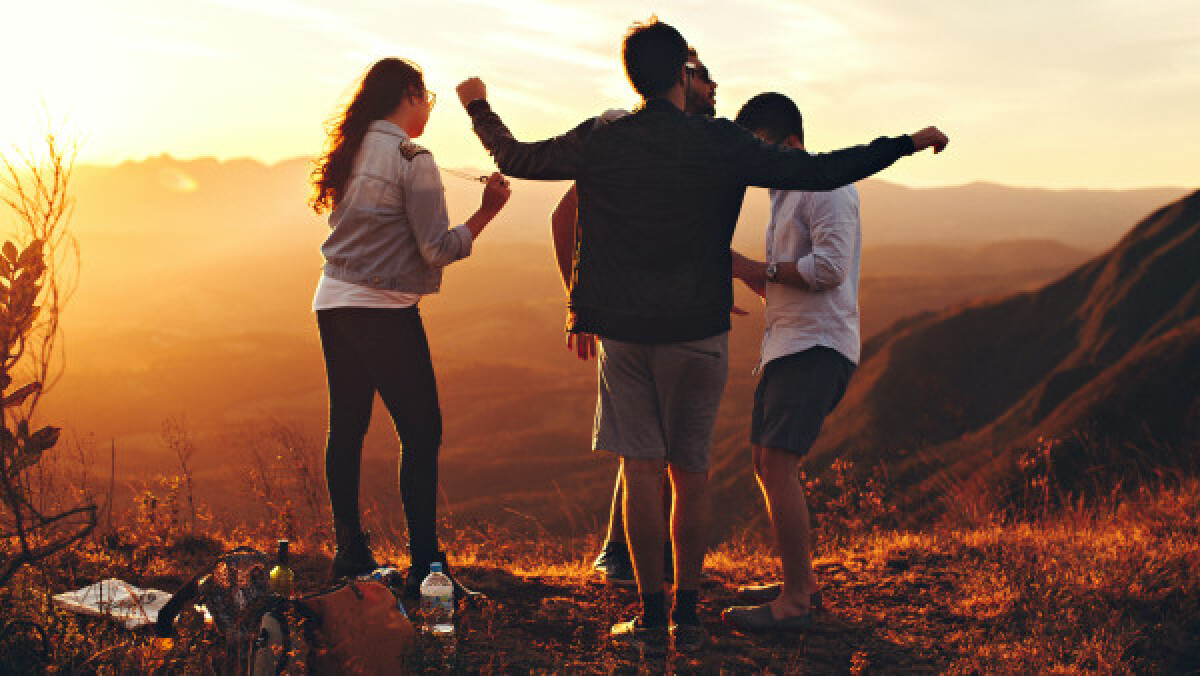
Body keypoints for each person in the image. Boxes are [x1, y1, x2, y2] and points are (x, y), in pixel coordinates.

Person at [457, 17, 947, 655]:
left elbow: (519, 158)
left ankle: (652, 618)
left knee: (641, 472)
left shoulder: (603, 138)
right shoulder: (718, 143)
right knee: (691, 474)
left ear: (635, 76)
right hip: (699, 329)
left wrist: (478, 107)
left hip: (626, 332)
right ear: (683, 77)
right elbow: (823, 171)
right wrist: (905, 142)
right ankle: (688, 615)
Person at [309, 58, 511, 598]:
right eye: (427, 99)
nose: (428, 110)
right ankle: (428, 569)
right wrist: (487, 212)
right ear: (409, 95)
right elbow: (437, 248)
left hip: (332, 300)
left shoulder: (352, 148)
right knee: (422, 433)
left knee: (347, 427)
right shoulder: (412, 158)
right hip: (385, 309)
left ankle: (350, 553)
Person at [549, 47, 719, 588]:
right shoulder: (623, 133)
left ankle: (639, 561)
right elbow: (564, 214)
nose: (715, 87)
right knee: (644, 447)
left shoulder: (687, 145)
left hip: (670, 313)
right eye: (702, 75)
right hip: (630, 317)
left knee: (654, 445)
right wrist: (580, 304)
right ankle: (621, 554)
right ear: (677, 78)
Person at [719, 92, 865, 631]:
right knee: (766, 462)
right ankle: (797, 582)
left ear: (789, 141)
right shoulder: (785, 192)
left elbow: (827, 270)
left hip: (816, 346)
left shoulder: (823, 186)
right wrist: (740, 272)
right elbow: (788, 278)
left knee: (778, 465)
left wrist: (756, 265)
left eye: (756, 148)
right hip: (789, 343)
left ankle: (797, 602)